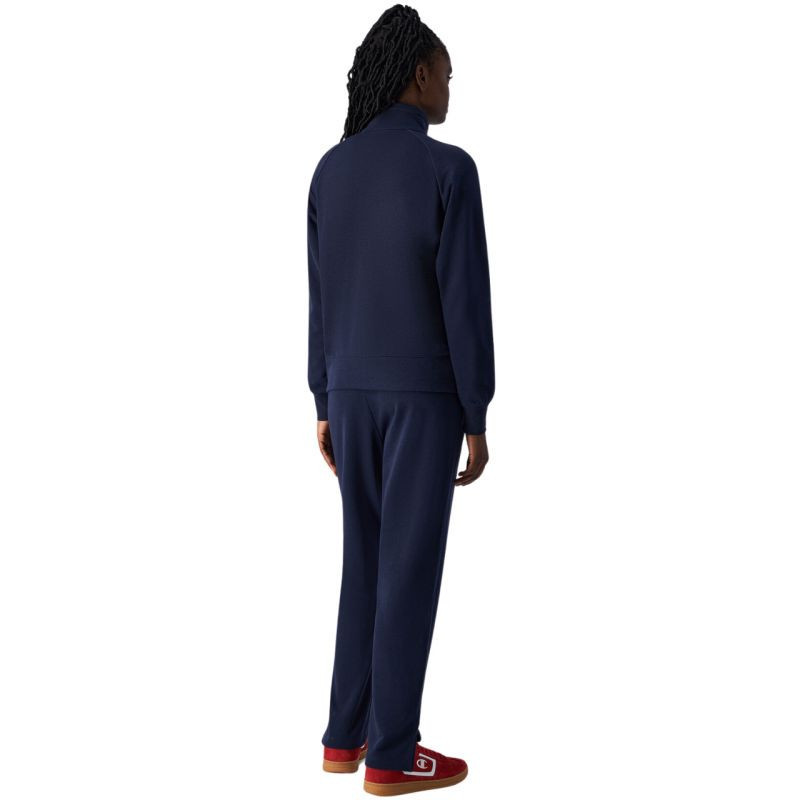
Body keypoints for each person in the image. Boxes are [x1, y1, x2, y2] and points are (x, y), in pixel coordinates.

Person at [307, 5, 495, 795]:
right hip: (423, 396)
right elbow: (465, 304)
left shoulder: (329, 169)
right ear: (419, 75)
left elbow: (321, 296)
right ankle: (391, 755)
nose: (451, 86)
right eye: (447, 73)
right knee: (408, 570)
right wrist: (476, 414)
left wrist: (323, 398)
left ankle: (342, 738)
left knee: (365, 562)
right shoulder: (450, 169)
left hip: (349, 393)